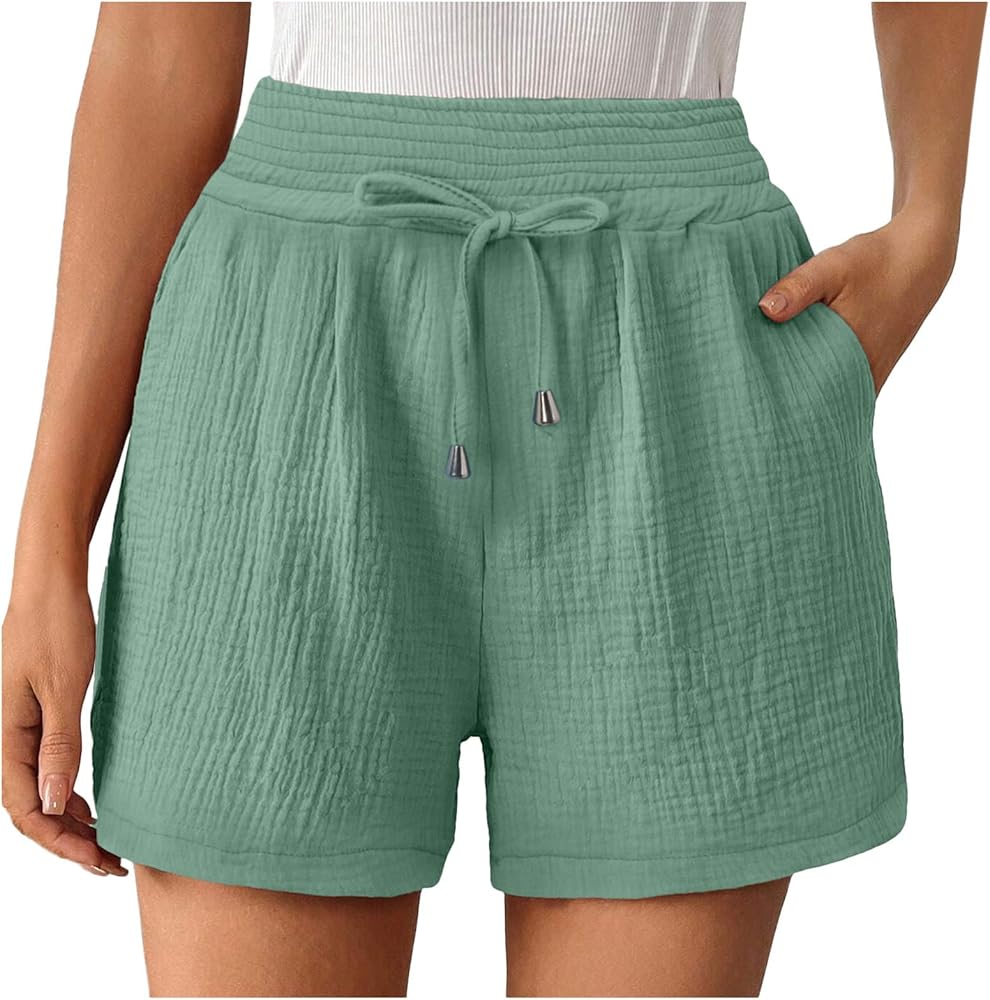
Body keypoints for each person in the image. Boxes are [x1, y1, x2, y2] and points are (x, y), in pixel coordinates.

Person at [2, 2, 984, 996]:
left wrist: (931, 219)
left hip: (674, 329)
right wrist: (47, 546)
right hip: (290, 353)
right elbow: (160, 45)